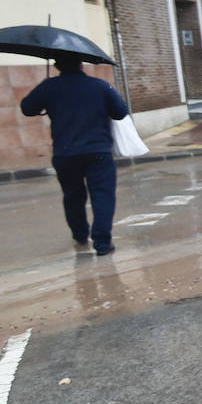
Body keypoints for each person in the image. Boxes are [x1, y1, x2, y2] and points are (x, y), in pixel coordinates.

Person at [20, 55, 130, 256]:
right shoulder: (100, 86)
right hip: (98, 152)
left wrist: (47, 94)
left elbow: (27, 108)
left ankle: (80, 235)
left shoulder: (49, 87)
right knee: (102, 195)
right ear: (81, 64)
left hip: (65, 154)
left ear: (56, 65)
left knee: (72, 196)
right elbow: (121, 112)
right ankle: (103, 243)